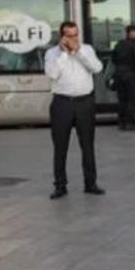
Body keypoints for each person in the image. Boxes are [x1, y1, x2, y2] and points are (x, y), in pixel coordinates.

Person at [45, 20, 104, 199]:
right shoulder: (52, 53)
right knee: (60, 147)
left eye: (75, 35)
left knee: (87, 145)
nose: (73, 39)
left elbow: (97, 68)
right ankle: (60, 186)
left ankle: (90, 183)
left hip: (85, 103)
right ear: (62, 36)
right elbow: (52, 74)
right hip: (62, 103)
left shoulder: (86, 49)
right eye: (69, 36)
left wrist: (78, 53)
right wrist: (64, 54)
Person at [111, 24, 135, 130]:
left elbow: (114, 59)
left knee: (122, 99)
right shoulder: (134, 46)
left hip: (119, 74)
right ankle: (130, 122)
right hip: (131, 75)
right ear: (131, 33)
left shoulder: (119, 44)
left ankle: (122, 122)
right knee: (132, 98)